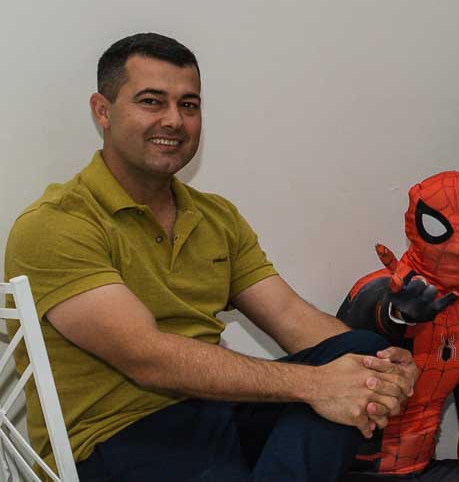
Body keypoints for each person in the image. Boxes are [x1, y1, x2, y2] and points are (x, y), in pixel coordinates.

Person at [3, 33, 418, 481]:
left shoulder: (215, 217)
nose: (173, 120)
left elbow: (292, 318)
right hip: (113, 441)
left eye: (189, 105)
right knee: (328, 386)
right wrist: (317, 385)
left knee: (360, 352)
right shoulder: (56, 223)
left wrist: (383, 369)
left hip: (213, 416)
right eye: (151, 101)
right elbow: (146, 357)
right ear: (102, 111)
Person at [337, 171, 459, 482]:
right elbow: (375, 310)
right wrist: (399, 315)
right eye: (438, 229)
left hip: (424, 469)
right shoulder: (374, 289)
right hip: (352, 471)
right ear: (414, 227)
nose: (458, 249)